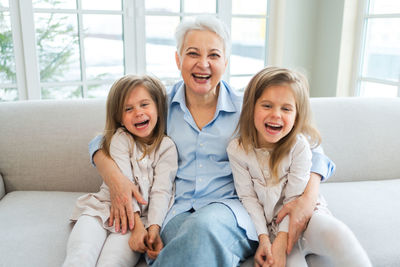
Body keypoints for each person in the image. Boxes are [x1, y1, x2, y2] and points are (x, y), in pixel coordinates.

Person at [89, 16, 335, 266]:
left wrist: (307, 199)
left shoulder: (247, 109)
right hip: (175, 212)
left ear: (225, 62)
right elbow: (103, 140)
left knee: (201, 230)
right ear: (178, 59)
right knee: (190, 241)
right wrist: (116, 179)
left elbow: (310, 147)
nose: (203, 64)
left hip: (230, 212)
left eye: (214, 56)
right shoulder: (159, 106)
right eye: (193, 53)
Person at [227, 67, 372, 267]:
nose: (276, 115)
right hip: (272, 227)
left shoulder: (299, 146)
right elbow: (248, 198)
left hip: (306, 216)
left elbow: (294, 198)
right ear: (251, 108)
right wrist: (264, 239)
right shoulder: (237, 150)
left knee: (337, 234)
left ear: (297, 116)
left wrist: (281, 240)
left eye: (286, 109)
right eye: (267, 105)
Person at [63, 75, 178, 266]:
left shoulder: (167, 147)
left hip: (135, 222)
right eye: (128, 109)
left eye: (144, 104)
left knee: (113, 262)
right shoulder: (120, 139)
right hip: (101, 211)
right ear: (120, 118)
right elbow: (124, 186)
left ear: (158, 108)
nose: (138, 113)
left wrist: (152, 228)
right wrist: (138, 226)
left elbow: (162, 191)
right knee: (79, 257)